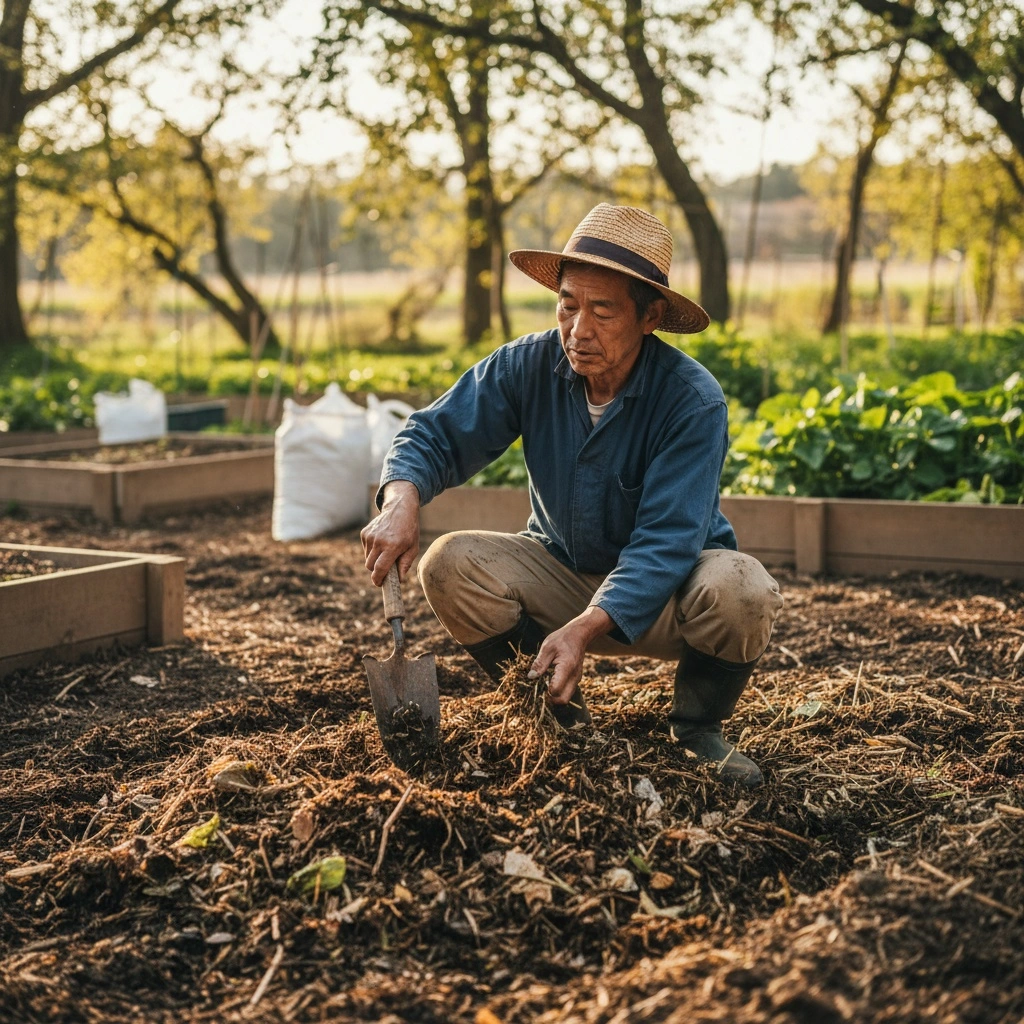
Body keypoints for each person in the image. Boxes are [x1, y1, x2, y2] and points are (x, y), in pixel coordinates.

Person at [361, 203, 783, 787]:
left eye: (603, 310)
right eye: (567, 305)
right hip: (560, 571)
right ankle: (559, 718)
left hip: (671, 595)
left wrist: (585, 629)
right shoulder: (527, 365)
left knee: (743, 588)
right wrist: (400, 499)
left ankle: (697, 730)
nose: (579, 330)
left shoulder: (692, 400)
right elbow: (434, 433)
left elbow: (667, 541)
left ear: (650, 317)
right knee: (448, 563)